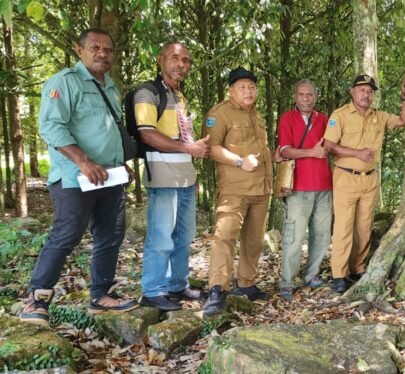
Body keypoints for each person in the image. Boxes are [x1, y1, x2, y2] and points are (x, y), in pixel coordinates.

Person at [19, 28, 137, 324]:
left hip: (110, 178)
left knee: (110, 235)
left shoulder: (111, 87)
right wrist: (83, 162)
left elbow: (108, 132)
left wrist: (121, 163)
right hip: (74, 177)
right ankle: (36, 299)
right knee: (67, 234)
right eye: (95, 47)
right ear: (79, 50)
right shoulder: (64, 82)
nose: (102, 53)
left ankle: (100, 297)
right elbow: (52, 127)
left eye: (107, 49)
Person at [136, 42, 210, 311]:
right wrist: (189, 148)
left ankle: (177, 285)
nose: (181, 64)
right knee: (161, 235)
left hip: (185, 175)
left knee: (184, 234)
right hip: (163, 173)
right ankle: (152, 290)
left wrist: (192, 160)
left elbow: (184, 134)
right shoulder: (148, 92)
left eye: (186, 60)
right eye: (175, 58)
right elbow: (147, 133)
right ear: (160, 60)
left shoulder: (180, 96)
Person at [323, 74, 405, 293]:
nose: (365, 94)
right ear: (352, 92)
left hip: (370, 179)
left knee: (364, 227)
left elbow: (402, 121)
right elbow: (329, 145)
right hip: (345, 177)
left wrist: (404, 98)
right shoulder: (340, 115)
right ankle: (339, 274)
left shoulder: (378, 116)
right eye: (361, 90)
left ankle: (357, 268)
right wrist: (356, 153)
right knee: (343, 228)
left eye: (370, 91)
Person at [202, 67, 273, 318]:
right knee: (225, 236)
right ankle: (217, 289)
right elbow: (211, 147)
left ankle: (247, 284)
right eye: (242, 87)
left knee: (254, 240)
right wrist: (240, 162)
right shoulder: (220, 114)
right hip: (235, 188)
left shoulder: (257, 115)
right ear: (231, 90)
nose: (248, 91)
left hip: (261, 188)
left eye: (252, 87)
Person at [276, 79, 331, 301]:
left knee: (322, 234)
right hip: (298, 187)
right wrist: (311, 152)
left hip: (325, 185)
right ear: (295, 97)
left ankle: (312, 275)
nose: (306, 98)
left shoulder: (324, 119)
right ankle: (287, 281)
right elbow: (285, 150)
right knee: (294, 236)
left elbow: (332, 145)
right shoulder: (287, 119)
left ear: (315, 97)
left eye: (310, 94)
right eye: (302, 94)